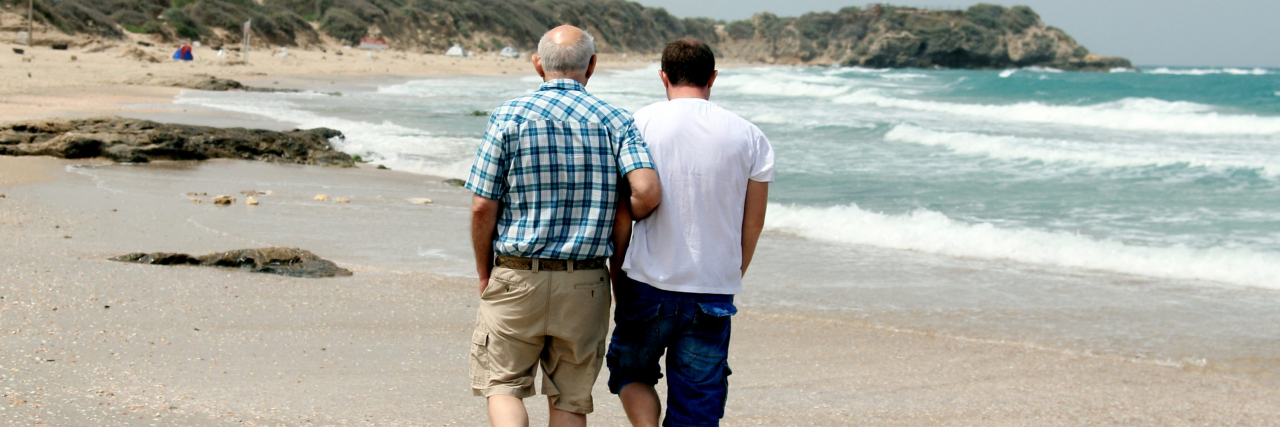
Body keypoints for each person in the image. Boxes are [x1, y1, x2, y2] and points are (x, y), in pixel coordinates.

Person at [466, 25, 662, 427]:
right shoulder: (617, 120)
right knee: (571, 400)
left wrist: (485, 271)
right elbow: (645, 193)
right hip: (585, 282)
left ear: (538, 64)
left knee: (503, 384)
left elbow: (483, 206)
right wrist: (616, 259)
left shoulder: (509, 115)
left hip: (517, 274)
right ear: (592, 65)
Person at [606, 39, 774, 427]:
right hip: (712, 288)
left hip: (646, 281)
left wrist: (617, 276)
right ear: (713, 77)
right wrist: (732, 273)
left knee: (630, 371)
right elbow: (754, 221)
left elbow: (622, 213)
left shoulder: (638, 124)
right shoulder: (750, 136)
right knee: (698, 405)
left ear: (662, 76)